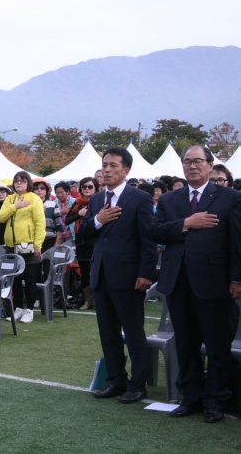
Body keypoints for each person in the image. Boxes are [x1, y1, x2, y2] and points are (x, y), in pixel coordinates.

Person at [152, 145, 241, 423]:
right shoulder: (170, 200)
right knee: (186, 345)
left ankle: (215, 400)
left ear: (210, 164)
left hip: (215, 283)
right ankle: (190, 397)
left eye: (197, 161)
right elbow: (155, 231)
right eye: (187, 162)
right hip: (178, 282)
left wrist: (237, 278)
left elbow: (238, 242)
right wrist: (187, 223)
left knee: (216, 346)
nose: (192, 166)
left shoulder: (230, 197)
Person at [80, 147, 157, 404]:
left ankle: (138, 385)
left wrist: (146, 273)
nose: (107, 170)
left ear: (126, 170)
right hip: (100, 274)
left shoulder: (139, 198)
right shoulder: (95, 200)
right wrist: (98, 220)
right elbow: (84, 235)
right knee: (108, 333)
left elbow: (148, 239)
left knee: (133, 333)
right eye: (105, 165)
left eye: (113, 165)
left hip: (129, 275)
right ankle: (115, 380)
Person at [0, 171, 45, 323]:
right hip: (11, 245)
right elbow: (0, 217)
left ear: (28, 183)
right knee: (15, 279)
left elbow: (40, 223)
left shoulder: (34, 198)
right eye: (16, 180)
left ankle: (29, 309)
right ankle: (17, 308)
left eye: (23, 180)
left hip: (28, 245)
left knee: (29, 278)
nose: (19, 183)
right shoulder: (10, 199)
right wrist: (15, 206)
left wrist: (38, 245)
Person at [65, 177, 98, 310]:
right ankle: (87, 300)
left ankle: (100, 300)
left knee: (99, 271)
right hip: (81, 241)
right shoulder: (78, 202)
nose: (87, 189)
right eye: (84, 186)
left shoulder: (100, 200)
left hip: (96, 241)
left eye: (90, 186)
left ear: (96, 187)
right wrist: (79, 213)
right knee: (84, 272)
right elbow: (67, 220)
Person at [33, 178, 64, 284]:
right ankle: (36, 296)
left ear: (46, 191)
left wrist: (58, 240)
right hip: (33, 240)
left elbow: (58, 224)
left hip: (49, 240)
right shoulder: (28, 204)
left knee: (48, 268)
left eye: (42, 188)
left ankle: (48, 295)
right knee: (35, 269)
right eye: (36, 188)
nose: (39, 190)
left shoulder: (52, 204)